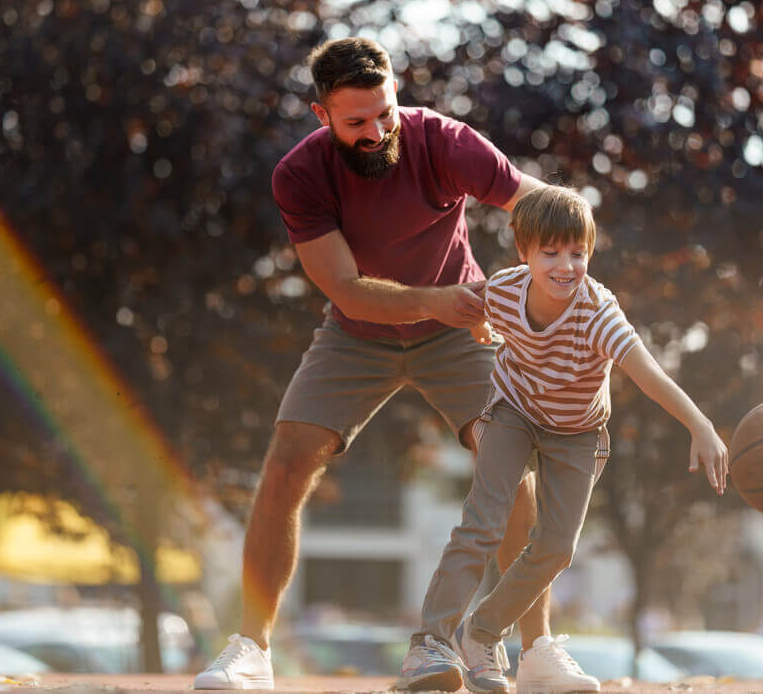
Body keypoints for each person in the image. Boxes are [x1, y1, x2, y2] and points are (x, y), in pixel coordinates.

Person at [195, 38, 596, 691]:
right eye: (357, 122)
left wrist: (561, 264)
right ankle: (251, 652)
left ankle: (539, 650)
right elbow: (346, 288)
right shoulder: (299, 175)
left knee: (510, 461)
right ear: (322, 116)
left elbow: (534, 199)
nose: (378, 131)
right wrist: (442, 301)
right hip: (357, 332)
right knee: (287, 461)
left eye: (385, 111)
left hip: (460, 334)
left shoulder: (442, 141)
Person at [398, 186, 729, 694]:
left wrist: (700, 425)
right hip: (512, 411)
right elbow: (468, 307)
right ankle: (431, 643)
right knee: (483, 523)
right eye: (550, 252)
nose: (565, 265)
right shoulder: (505, 289)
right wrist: (478, 327)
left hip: (576, 432)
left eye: (577, 253)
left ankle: (482, 633)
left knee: (555, 548)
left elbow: (648, 374)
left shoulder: (598, 312)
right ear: (524, 252)